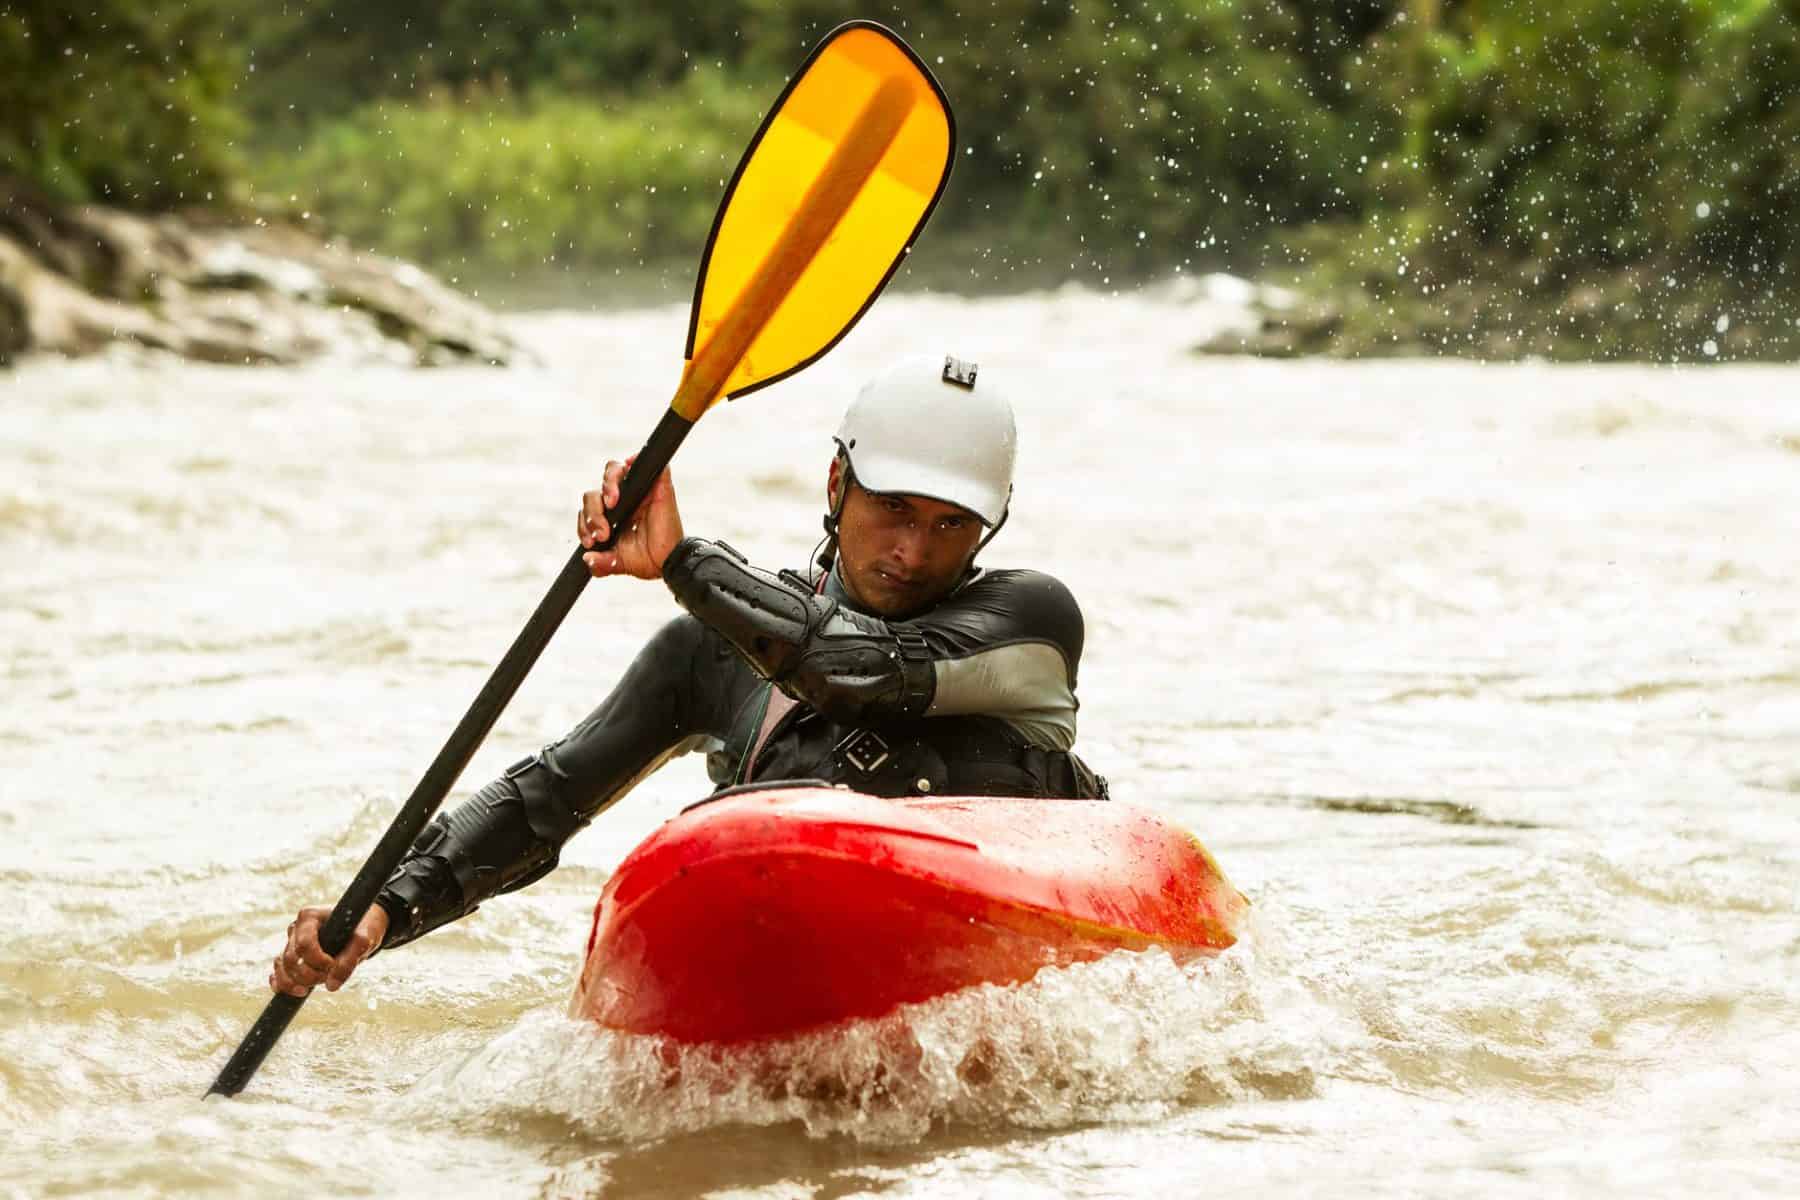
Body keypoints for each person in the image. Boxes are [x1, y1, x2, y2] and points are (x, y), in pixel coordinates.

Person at [271, 354, 1106, 998]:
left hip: (983, 933)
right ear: (837, 483)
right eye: (893, 508)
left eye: (950, 525)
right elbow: (546, 799)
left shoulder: (1029, 622)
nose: (914, 551)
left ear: (988, 529)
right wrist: (383, 908)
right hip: (786, 945)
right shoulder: (709, 654)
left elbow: (853, 672)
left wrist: (680, 561)